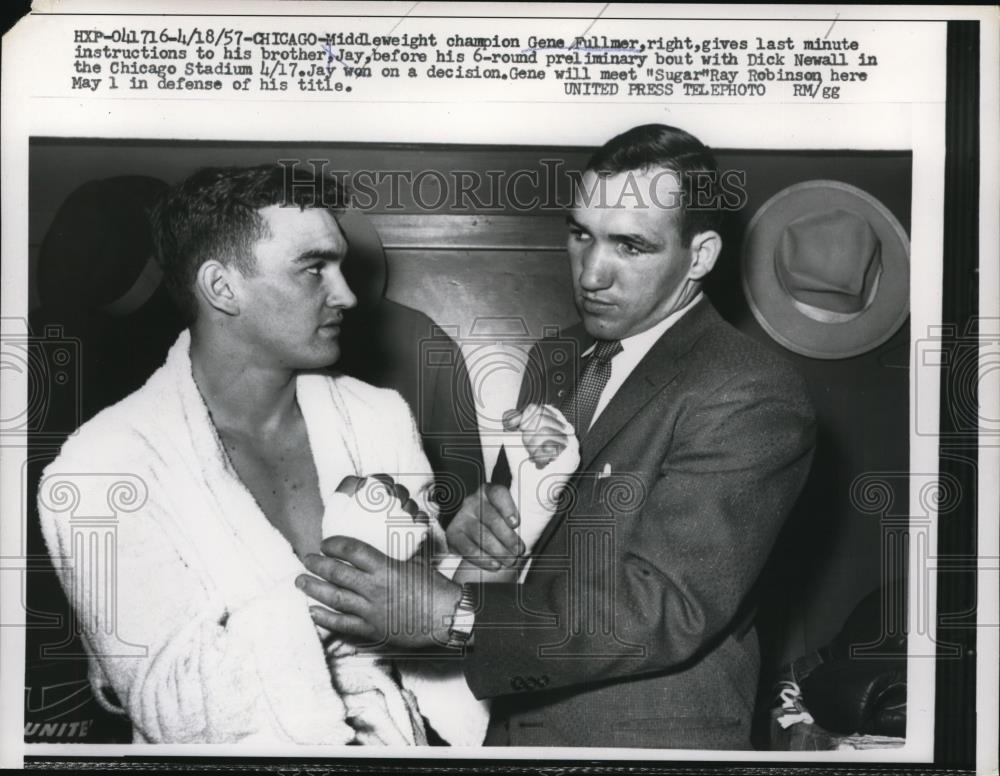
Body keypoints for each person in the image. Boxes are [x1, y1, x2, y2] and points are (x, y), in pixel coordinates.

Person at [304, 124, 817, 749]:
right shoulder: (557, 357)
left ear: (701, 255)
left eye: (630, 246)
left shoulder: (750, 390)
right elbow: (517, 527)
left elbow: (663, 608)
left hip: (644, 742)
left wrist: (449, 614)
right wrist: (481, 528)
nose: (592, 274)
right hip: (513, 724)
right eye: (581, 234)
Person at [35, 165, 477, 744]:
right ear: (222, 288)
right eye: (314, 268)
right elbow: (177, 708)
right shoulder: (100, 468)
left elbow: (423, 621)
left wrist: (479, 555)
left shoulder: (378, 416)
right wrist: (353, 555)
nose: (345, 293)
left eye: (341, 265)